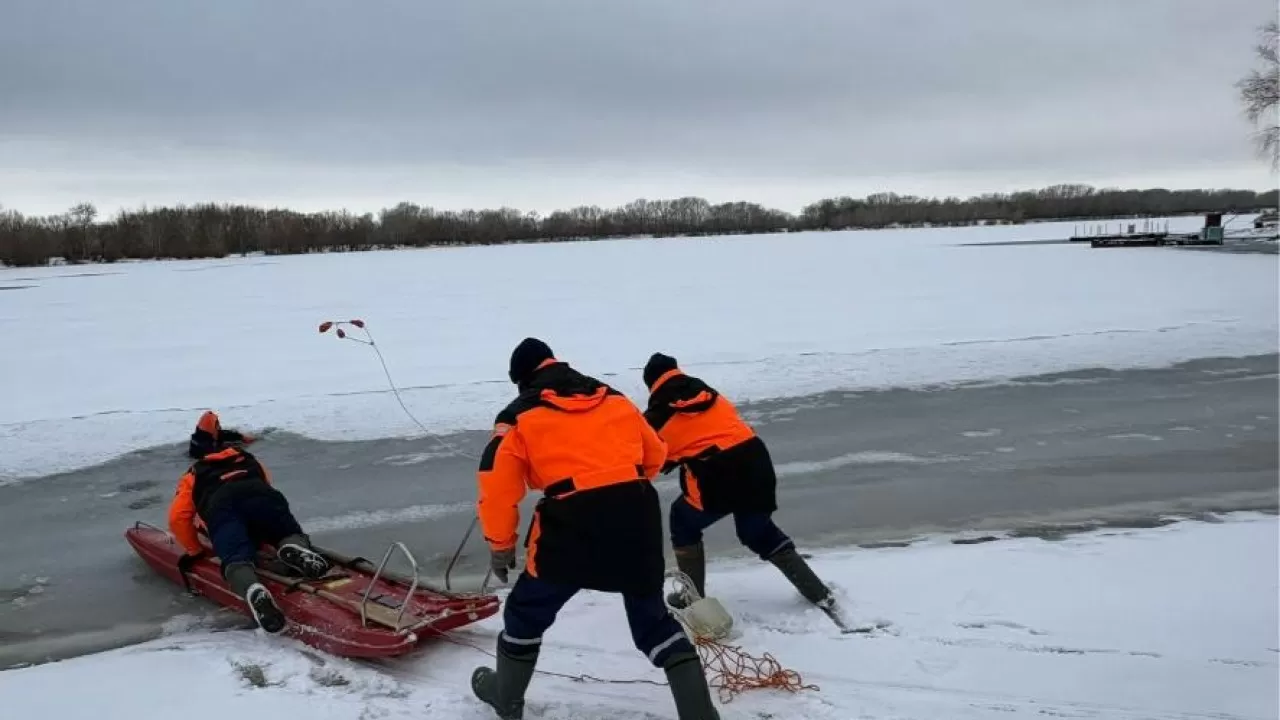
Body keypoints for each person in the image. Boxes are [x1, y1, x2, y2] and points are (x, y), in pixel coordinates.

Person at [470, 338, 720, 720]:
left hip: (570, 524)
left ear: (522, 380)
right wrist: (618, 480)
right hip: (636, 513)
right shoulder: (614, 398)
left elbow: (497, 485)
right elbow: (654, 452)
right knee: (653, 623)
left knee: (525, 612)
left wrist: (500, 546)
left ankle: (507, 699)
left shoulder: (518, 414)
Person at [640, 353, 840, 622]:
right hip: (757, 465)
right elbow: (708, 433)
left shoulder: (658, 417)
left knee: (682, 521)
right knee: (757, 531)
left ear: (651, 384)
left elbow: (649, 459)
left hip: (718, 478)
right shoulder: (710, 395)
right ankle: (817, 591)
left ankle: (692, 596)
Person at [168, 411, 329, 634]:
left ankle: (252, 588)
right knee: (285, 530)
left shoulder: (194, 474)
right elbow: (267, 484)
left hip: (223, 508)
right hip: (261, 495)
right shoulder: (249, 459)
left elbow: (178, 517)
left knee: (235, 558)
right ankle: (293, 547)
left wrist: (194, 550)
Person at [187, 410, 256, 459]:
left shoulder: (206, 433)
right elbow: (217, 457)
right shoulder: (205, 445)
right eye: (217, 426)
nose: (220, 427)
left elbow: (224, 434)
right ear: (212, 427)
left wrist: (241, 437)